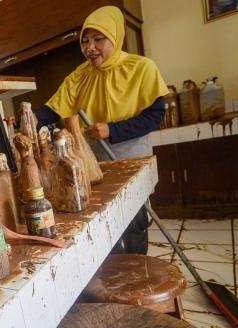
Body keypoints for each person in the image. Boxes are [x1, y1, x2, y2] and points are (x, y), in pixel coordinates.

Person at [35, 6, 168, 254]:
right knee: (105, 219)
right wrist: (28, 120)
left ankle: (138, 270)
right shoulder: (79, 76)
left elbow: (155, 116)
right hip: (94, 161)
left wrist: (112, 130)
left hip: (131, 155)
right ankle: (114, 273)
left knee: (135, 219)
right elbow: (52, 110)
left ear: (115, 38)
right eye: (85, 41)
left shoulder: (141, 68)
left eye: (99, 39)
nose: (90, 48)